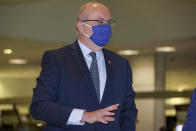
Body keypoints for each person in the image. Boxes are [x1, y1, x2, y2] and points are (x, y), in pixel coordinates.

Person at [30, 2, 138, 131]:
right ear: (81, 26)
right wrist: (84, 116)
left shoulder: (121, 64)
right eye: (100, 21)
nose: (106, 26)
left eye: (109, 22)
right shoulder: (57, 59)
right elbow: (39, 107)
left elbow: (128, 112)